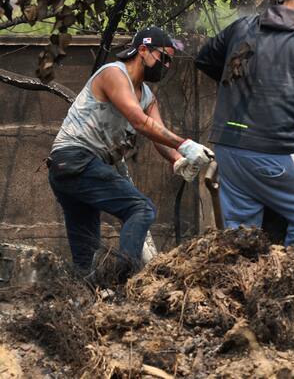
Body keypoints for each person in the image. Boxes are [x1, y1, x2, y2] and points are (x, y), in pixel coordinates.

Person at [48, 27, 214, 277]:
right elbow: (138, 121)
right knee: (140, 208)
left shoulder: (147, 96)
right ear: (143, 50)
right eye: (163, 57)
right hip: (75, 159)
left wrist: (178, 160)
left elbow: (157, 132)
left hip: (74, 170)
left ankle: (84, 301)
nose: (166, 65)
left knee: (85, 257)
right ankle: (125, 279)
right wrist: (186, 144)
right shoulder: (114, 73)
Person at [195, 0, 294, 257]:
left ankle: (241, 289)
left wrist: (237, 89)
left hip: (227, 147)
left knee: (241, 236)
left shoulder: (242, 27)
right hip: (273, 149)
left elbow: (205, 58)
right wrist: (280, 117)